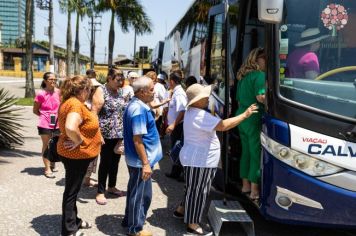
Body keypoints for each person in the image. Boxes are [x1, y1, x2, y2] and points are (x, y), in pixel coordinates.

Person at [174, 83, 258, 235]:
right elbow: (224, 125)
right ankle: (192, 223)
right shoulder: (200, 115)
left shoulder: (192, 111)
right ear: (197, 100)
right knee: (198, 191)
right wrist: (245, 115)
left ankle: (181, 210)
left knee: (192, 188)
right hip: (200, 160)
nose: (208, 98)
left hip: (195, 158)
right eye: (205, 97)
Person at [57, 76, 102, 236]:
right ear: (82, 89)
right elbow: (70, 126)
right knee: (71, 192)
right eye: (90, 90)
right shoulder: (75, 104)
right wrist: (79, 140)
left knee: (72, 191)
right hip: (76, 157)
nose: (90, 93)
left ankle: (74, 221)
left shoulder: (70, 101)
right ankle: (69, 230)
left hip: (74, 155)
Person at [122, 76, 163, 236]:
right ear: (142, 91)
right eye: (152, 89)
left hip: (139, 160)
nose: (154, 92)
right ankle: (135, 229)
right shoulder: (139, 109)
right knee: (141, 196)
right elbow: (137, 139)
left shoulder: (136, 105)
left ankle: (129, 221)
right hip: (141, 161)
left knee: (135, 191)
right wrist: (146, 163)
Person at [235, 47, 266, 202]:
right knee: (255, 153)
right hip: (253, 116)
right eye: (265, 58)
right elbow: (261, 97)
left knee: (246, 151)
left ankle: (245, 185)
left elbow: (238, 99)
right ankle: (254, 190)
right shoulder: (260, 75)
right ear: (257, 59)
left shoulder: (243, 77)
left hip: (241, 116)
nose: (267, 61)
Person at [93, 68, 127, 205]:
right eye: (117, 80)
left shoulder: (119, 91)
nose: (120, 82)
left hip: (118, 134)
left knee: (115, 162)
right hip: (105, 134)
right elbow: (94, 113)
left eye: (121, 80)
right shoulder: (102, 90)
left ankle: (111, 186)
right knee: (105, 162)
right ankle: (100, 191)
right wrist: (97, 134)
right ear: (109, 78)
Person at [33, 72, 60, 178]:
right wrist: (45, 116)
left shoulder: (59, 92)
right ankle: (47, 169)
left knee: (56, 144)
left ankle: (52, 163)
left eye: (55, 79)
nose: (53, 81)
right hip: (44, 123)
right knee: (47, 145)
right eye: (51, 79)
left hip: (57, 122)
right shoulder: (41, 93)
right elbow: (35, 110)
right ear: (45, 81)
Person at [165, 70, 187, 181]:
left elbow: (182, 111)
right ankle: (176, 172)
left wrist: (173, 124)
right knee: (176, 149)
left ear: (172, 81)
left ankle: (182, 174)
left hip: (178, 126)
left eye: (169, 81)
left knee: (178, 149)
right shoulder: (176, 92)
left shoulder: (179, 93)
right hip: (176, 125)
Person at [83, 69, 101, 187]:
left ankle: (87, 178)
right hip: (85, 132)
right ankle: (85, 177)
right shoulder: (82, 101)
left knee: (93, 155)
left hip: (94, 131)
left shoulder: (96, 98)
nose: (93, 89)